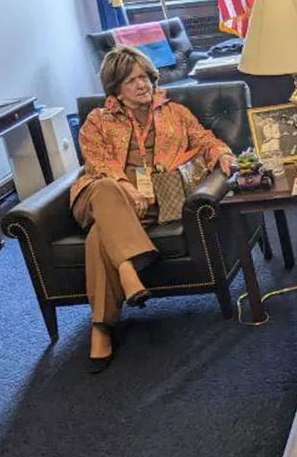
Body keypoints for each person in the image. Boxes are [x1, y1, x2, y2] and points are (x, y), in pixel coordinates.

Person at [73, 45, 237, 374]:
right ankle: (128, 272)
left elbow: (204, 139)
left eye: (145, 77)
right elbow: (98, 163)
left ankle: (101, 327)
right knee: (106, 189)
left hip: (150, 205)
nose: (143, 84)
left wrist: (221, 153)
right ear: (115, 87)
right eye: (132, 80)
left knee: (98, 237)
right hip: (101, 196)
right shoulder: (97, 121)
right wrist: (125, 185)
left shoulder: (173, 112)